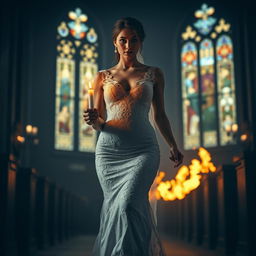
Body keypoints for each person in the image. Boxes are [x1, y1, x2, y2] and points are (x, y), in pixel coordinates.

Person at [83, 17, 183, 256]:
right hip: (109, 153)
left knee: (129, 205)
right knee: (117, 208)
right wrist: (93, 120)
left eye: (134, 40)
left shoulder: (154, 74)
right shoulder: (101, 77)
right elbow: (99, 123)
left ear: (141, 42)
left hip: (143, 151)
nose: (128, 45)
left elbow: (160, 115)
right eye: (123, 40)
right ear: (115, 44)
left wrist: (173, 145)